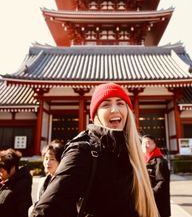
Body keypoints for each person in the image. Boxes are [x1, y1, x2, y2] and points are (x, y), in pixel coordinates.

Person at [30, 82, 159, 217]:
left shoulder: (132, 152)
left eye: (120, 103)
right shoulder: (83, 150)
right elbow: (46, 210)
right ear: (95, 114)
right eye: (106, 104)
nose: (115, 109)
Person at [142, 135, 171, 217]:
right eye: (143, 143)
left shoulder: (160, 161)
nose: (145, 145)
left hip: (157, 201)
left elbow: (162, 182)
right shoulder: (143, 160)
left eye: (148, 143)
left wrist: (151, 193)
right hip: (146, 200)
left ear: (154, 145)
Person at [0, 148, 32, 217]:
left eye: (2, 171)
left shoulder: (22, 186)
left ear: (12, 168)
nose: (0, 174)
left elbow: (23, 212)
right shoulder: (5, 181)